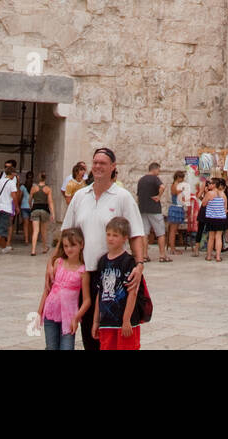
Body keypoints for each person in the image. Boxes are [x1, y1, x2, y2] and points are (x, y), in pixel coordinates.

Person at [60, 148, 147, 351]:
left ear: (113, 167)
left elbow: (136, 234)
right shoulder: (81, 195)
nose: (98, 166)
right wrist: (54, 264)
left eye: (103, 163)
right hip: (85, 274)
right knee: (90, 329)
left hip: (113, 274)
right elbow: (66, 233)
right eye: (95, 162)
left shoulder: (122, 197)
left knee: (114, 332)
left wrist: (140, 264)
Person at [92, 217, 143, 350]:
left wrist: (126, 320)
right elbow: (100, 292)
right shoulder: (102, 261)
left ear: (124, 238)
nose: (110, 238)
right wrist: (96, 321)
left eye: (115, 235)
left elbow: (132, 292)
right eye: (108, 234)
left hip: (124, 322)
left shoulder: (128, 261)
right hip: (107, 322)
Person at [37, 226, 90, 350]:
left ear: (81, 245)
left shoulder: (83, 271)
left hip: (69, 317)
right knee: (51, 347)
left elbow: (87, 300)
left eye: (72, 245)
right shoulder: (58, 263)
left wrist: (77, 317)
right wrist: (39, 311)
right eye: (66, 246)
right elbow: (47, 289)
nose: (69, 249)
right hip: (50, 312)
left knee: (67, 347)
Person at [136, 162, 170, 263]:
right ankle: (162, 255)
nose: (158, 173)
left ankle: (145, 255)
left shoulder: (141, 180)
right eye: (158, 170)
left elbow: (138, 195)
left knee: (145, 233)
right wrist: (159, 196)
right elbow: (162, 187)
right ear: (154, 169)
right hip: (154, 209)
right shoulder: (155, 178)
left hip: (142, 208)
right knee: (160, 233)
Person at [0, 160, 19, 256]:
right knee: (1, 229)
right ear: (12, 173)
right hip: (6, 208)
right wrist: (17, 207)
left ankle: (4, 247)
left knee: (2, 228)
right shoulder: (11, 183)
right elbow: (14, 196)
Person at [29, 172, 55, 256]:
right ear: (45, 178)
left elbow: (30, 199)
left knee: (35, 230)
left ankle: (33, 250)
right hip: (44, 209)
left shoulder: (34, 188)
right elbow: (50, 202)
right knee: (43, 231)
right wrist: (53, 213)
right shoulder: (48, 189)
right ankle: (44, 247)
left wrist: (30, 207)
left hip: (35, 209)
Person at [202, 177, 228, 261]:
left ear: (214, 185)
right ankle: (218, 256)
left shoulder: (210, 194)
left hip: (211, 218)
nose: (209, 185)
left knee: (211, 237)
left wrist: (205, 193)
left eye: (210, 183)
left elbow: (203, 204)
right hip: (221, 218)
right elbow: (225, 207)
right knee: (218, 237)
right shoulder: (223, 194)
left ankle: (209, 256)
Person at [167, 169, 187, 252]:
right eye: (181, 178)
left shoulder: (178, 185)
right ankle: (172, 248)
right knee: (173, 230)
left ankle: (173, 247)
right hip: (175, 208)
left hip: (178, 207)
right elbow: (175, 193)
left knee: (174, 230)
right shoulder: (175, 185)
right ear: (178, 177)